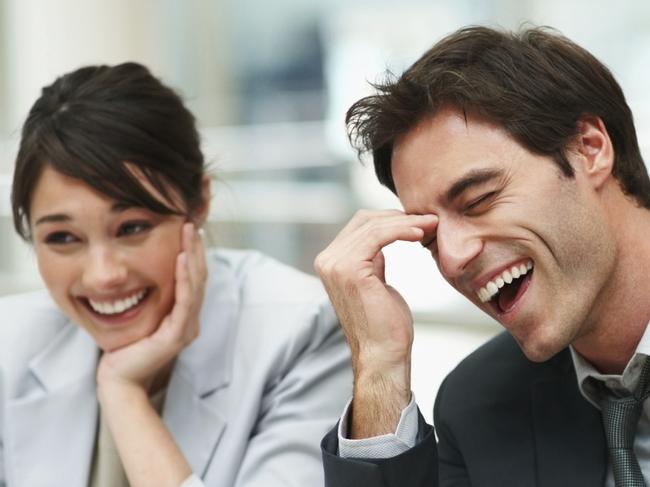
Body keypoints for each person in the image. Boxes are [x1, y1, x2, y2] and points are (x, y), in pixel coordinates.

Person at [316, 25, 650, 486]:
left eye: (478, 201)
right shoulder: (479, 405)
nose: (452, 259)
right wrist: (379, 365)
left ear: (589, 149)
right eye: (431, 238)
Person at [0, 62, 351, 487]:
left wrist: (123, 392)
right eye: (62, 237)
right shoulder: (11, 344)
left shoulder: (300, 332)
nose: (102, 276)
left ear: (199, 203)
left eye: (132, 228)